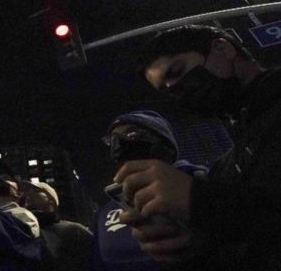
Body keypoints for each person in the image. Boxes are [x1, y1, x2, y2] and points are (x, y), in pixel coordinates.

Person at [116, 25, 281, 270]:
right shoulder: (226, 166)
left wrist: (200, 199)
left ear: (222, 47)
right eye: (166, 89)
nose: (177, 90)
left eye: (177, 71)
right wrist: (189, 246)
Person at [91, 110, 205, 271]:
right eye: (112, 139)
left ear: (162, 142)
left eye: (132, 133)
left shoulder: (201, 185)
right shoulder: (106, 211)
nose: (119, 143)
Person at [22, 180, 92, 271]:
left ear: (51, 200)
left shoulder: (73, 230)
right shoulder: (23, 231)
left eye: (36, 191)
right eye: (27, 191)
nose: (28, 194)